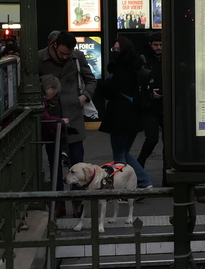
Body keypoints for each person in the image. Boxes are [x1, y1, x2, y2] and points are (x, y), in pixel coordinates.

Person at [39, 30, 97, 201]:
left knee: (78, 162)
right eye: (62, 53)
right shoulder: (40, 58)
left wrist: (84, 97)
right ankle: (58, 202)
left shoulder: (77, 57)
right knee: (54, 162)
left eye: (68, 54)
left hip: (74, 116)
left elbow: (91, 80)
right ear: (55, 45)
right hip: (51, 118)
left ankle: (79, 201)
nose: (65, 57)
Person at [97, 34, 153, 188]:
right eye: (113, 48)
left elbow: (110, 90)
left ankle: (140, 182)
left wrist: (102, 86)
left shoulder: (120, 70)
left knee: (120, 155)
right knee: (125, 153)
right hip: (134, 116)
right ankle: (143, 182)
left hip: (120, 117)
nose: (115, 51)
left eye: (117, 49)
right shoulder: (136, 68)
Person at [136, 32, 164, 174]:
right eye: (155, 45)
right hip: (150, 107)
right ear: (150, 45)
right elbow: (138, 84)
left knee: (169, 144)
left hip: (166, 106)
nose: (158, 47)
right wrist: (149, 94)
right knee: (151, 140)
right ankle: (139, 166)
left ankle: (167, 176)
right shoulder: (144, 60)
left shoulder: (168, 57)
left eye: (160, 45)